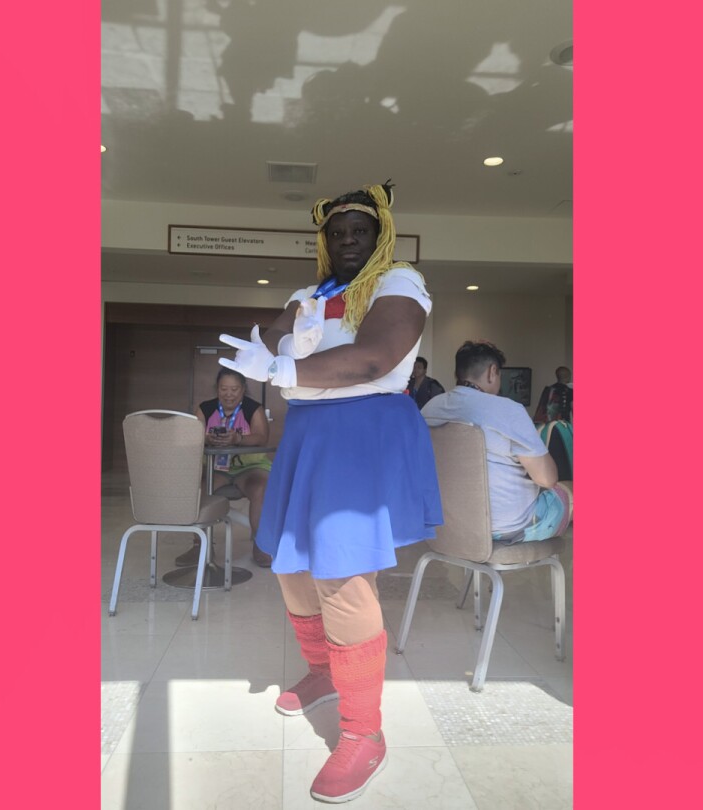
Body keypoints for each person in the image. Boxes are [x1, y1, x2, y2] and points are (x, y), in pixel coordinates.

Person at [217, 182, 440, 803]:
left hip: (362, 431)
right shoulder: (307, 296)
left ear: (380, 235)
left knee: (341, 576)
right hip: (308, 433)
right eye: (336, 232)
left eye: (359, 231)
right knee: (291, 567)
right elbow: (267, 341)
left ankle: (365, 733)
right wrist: (264, 354)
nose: (346, 240)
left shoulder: (399, 282)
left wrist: (280, 368)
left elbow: (373, 360)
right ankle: (323, 671)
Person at [422, 341, 574, 544]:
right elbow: (547, 479)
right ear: (492, 372)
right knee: (570, 489)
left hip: (444, 526)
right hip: (507, 527)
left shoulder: (429, 409)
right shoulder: (507, 410)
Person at [177, 368, 273, 567]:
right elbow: (192, 436)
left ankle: (261, 545)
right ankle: (200, 545)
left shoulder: (253, 408)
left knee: (261, 489)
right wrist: (207, 438)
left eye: (234, 389)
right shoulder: (206, 408)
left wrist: (238, 439)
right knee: (197, 490)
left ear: (243, 389)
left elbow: (262, 437)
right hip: (216, 469)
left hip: (249, 468)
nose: (229, 394)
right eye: (224, 389)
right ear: (217, 389)